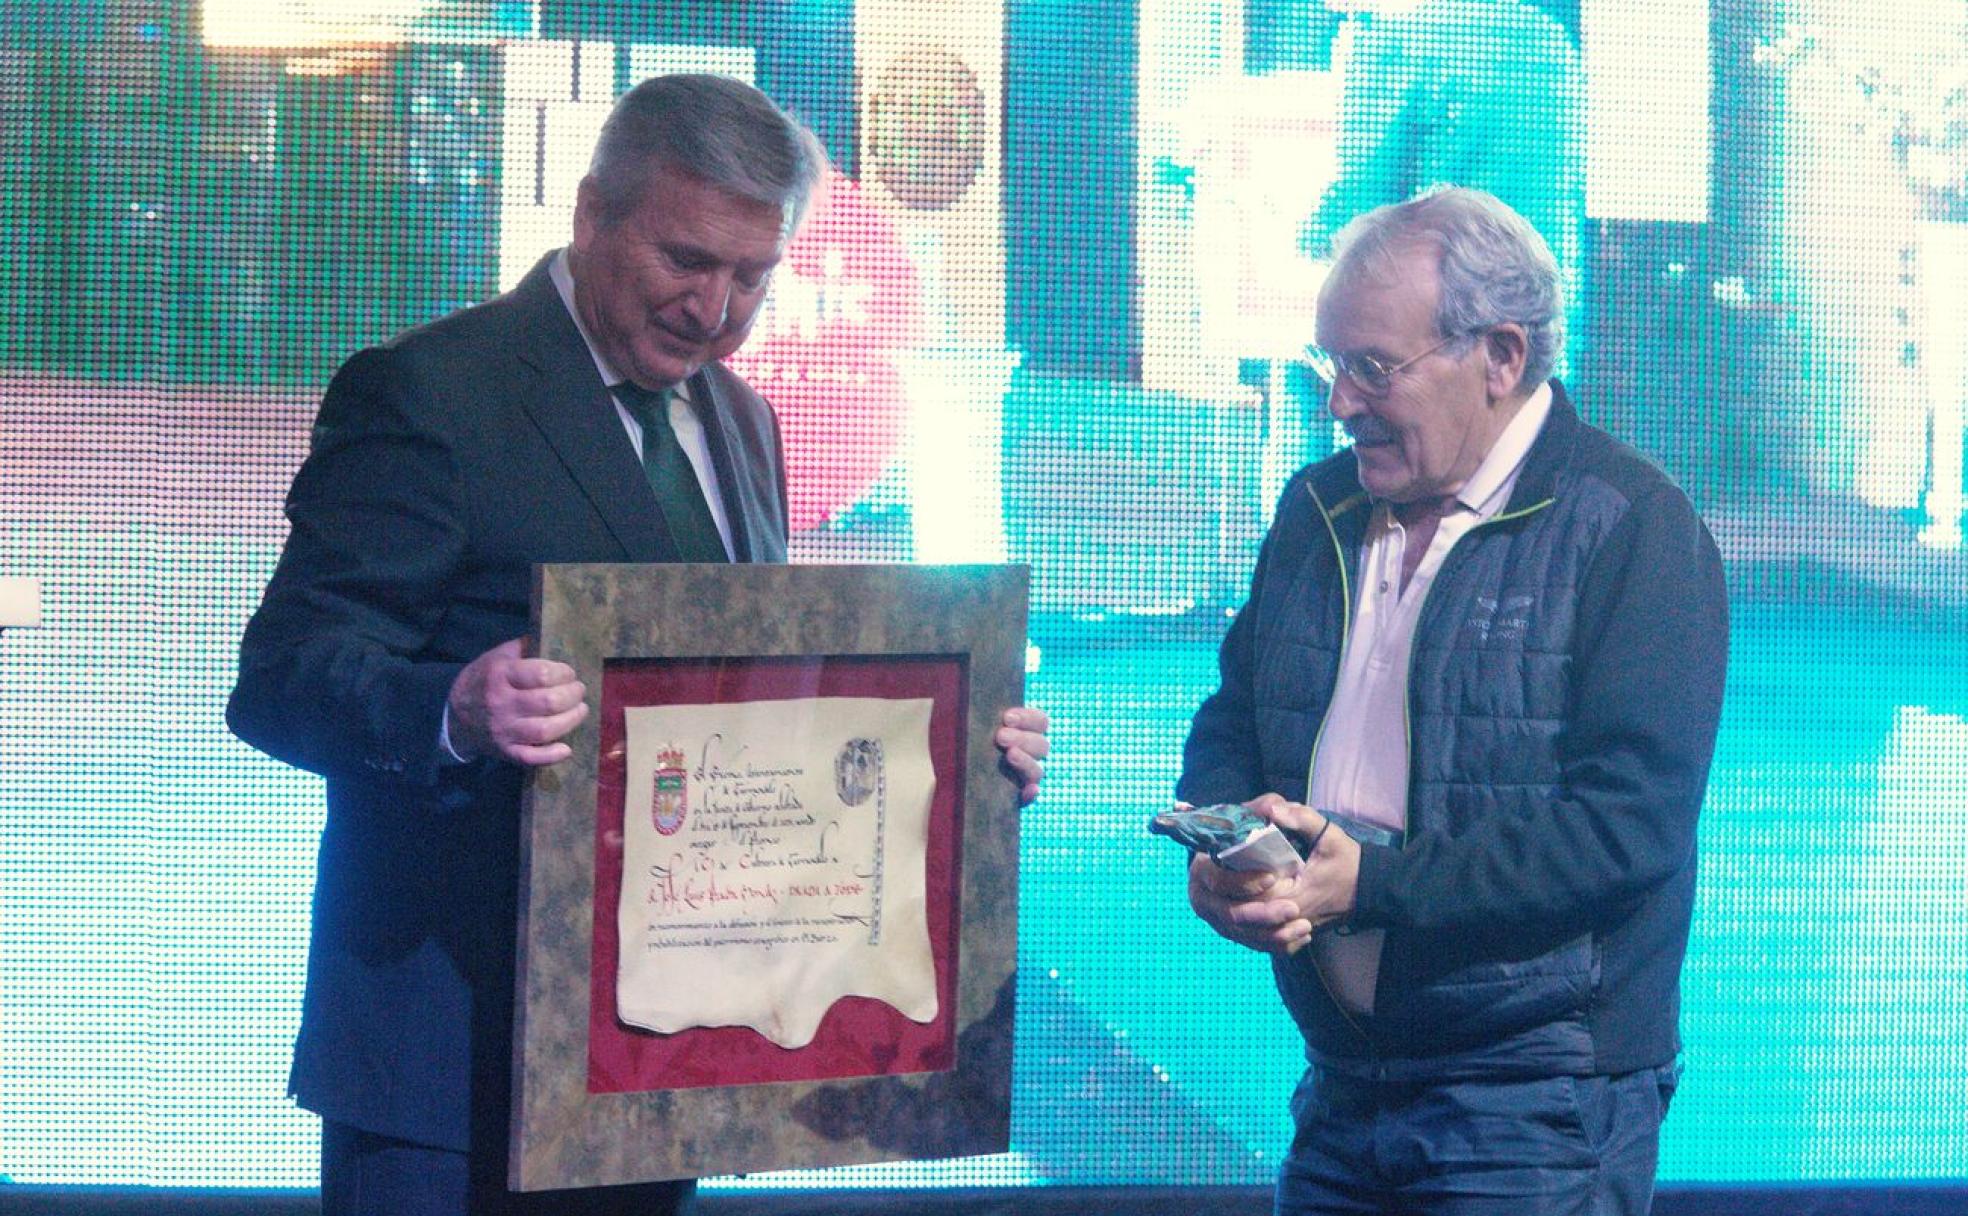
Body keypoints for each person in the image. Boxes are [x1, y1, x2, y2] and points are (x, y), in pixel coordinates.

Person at [228, 74, 1049, 1216]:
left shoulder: (743, 422)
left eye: (753, 276)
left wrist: (954, 756)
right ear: (589, 213)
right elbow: (280, 679)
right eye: (685, 260)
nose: (715, 309)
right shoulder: (428, 393)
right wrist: (451, 710)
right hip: (444, 1074)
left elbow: (759, 710)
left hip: (654, 1072)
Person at [1180, 187, 1726, 1215]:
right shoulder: (1316, 507)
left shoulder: (1635, 529)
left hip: (1536, 1110)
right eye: (1329, 362)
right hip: (1343, 1089)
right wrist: (1220, 846)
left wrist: (1374, 883)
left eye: (1372, 367)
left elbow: (1628, 829)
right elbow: (1234, 721)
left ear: (1502, 356)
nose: (1339, 399)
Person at [1305, 0, 1586, 369]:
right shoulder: (1550, 42)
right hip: (1535, 349)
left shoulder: (1396, 44)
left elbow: (1355, 213)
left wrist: (1293, 234)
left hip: (1437, 348)